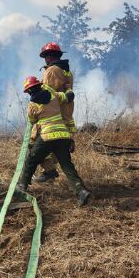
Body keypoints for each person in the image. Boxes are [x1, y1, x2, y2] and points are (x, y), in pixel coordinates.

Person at [18, 76, 90, 206]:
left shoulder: (32, 105)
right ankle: (81, 191)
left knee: (32, 159)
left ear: (29, 91)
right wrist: (68, 89)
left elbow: (32, 121)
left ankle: (22, 186)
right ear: (40, 86)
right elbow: (68, 97)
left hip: (47, 137)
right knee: (67, 165)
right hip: (63, 135)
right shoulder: (54, 95)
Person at [35, 41, 74, 183]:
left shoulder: (52, 71)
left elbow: (46, 95)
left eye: (46, 56)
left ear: (49, 57)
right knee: (58, 144)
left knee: (36, 143)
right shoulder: (66, 70)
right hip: (64, 112)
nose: (45, 59)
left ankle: (49, 171)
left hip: (52, 114)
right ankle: (51, 172)